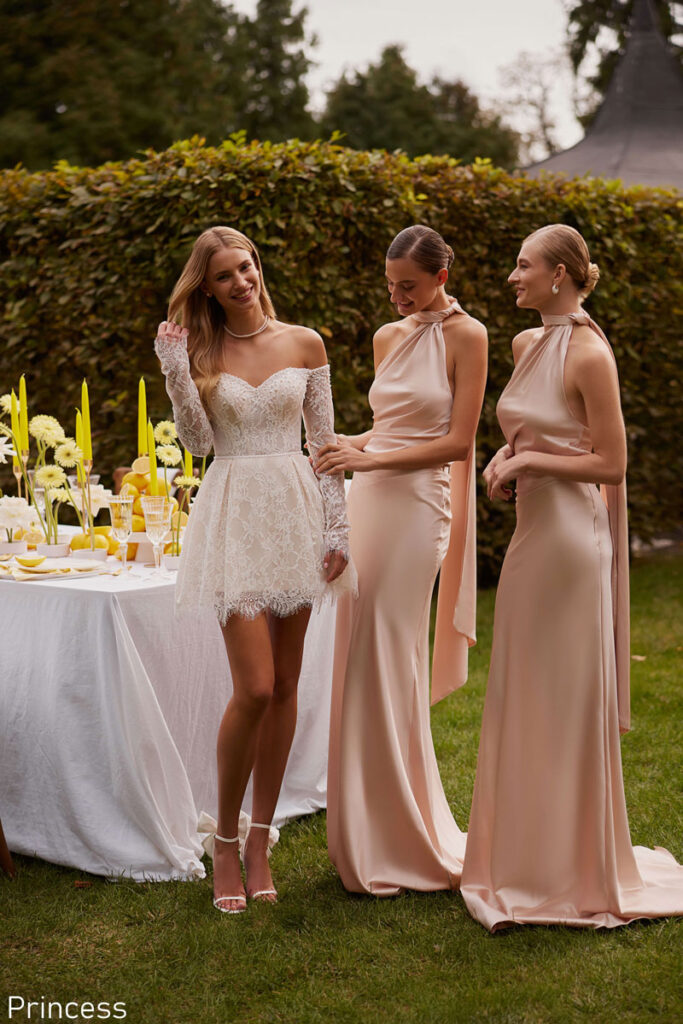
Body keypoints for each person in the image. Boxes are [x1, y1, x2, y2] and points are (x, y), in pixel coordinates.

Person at [461, 223, 683, 930]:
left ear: (559, 275)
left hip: (570, 542)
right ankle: (523, 859)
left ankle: (570, 866)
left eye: (522, 265)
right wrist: (504, 457)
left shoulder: (590, 354)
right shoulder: (529, 344)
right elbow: (534, 429)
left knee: (562, 694)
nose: (510, 276)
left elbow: (610, 465)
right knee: (525, 690)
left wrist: (529, 464)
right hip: (533, 538)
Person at [154, 226, 355, 914]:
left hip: (297, 513)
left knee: (288, 683)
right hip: (234, 512)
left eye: (246, 268)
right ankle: (225, 841)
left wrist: (337, 528)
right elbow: (196, 442)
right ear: (206, 288)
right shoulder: (202, 349)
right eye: (224, 276)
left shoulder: (306, 342)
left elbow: (323, 443)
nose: (241, 282)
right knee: (255, 686)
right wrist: (175, 371)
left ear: (256, 268)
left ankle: (263, 839)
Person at [315, 225, 488, 895]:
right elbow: (387, 428)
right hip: (369, 498)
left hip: (418, 507)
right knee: (357, 650)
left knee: (389, 654)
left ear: (441, 277)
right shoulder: (388, 336)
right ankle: (366, 824)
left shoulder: (466, 336)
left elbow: (455, 442)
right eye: (390, 286)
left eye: (408, 287)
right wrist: (345, 445)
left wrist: (370, 457)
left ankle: (403, 832)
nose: (397, 298)